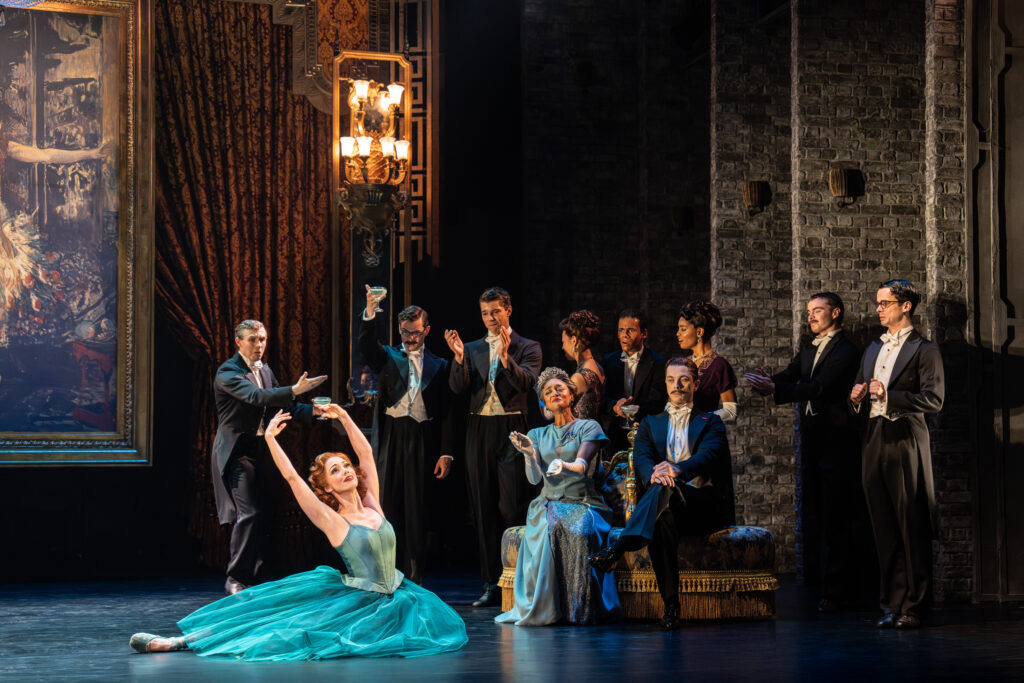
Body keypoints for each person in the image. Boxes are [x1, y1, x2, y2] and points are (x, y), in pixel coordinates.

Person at [129, 405, 468, 660]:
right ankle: (180, 642)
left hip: (401, 593)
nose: (346, 471)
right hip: (362, 599)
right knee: (278, 625)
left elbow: (366, 453)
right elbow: (293, 479)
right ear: (326, 486)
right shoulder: (333, 519)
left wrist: (343, 417)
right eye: (336, 470)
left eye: (346, 466)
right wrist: (272, 441)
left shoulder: (372, 505)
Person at [589, 357, 735, 629]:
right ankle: (671, 607)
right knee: (662, 517)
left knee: (663, 487)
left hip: (701, 504)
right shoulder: (650, 423)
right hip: (669, 505)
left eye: (684, 379)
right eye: (671, 380)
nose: (676, 385)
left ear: (696, 383)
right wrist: (654, 474)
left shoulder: (711, 422)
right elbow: (643, 459)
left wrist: (676, 470)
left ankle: (618, 547)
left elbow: (708, 456)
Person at [744, 292, 865, 612]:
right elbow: (791, 375)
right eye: (809, 312)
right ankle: (821, 583)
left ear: (835, 313)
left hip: (838, 442)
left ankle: (838, 590)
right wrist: (767, 381)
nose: (810, 317)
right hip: (814, 440)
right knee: (817, 512)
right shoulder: (810, 347)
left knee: (837, 516)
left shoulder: (847, 350)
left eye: (817, 311)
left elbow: (820, 387)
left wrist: (777, 390)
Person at [849, 279, 944, 630]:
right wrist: (857, 395)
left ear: (905, 306)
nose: (879, 308)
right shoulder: (873, 347)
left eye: (885, 303)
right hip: (874, 436)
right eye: (878, 303)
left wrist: (889, 395)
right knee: (884, 524)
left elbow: (934, 399)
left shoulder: (924, 348)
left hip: (905, 436)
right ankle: (892, 603)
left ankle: (915, 606)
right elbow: (860, 388)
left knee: (910, 522)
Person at [497, 367, 620, 626]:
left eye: (559, 388)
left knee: (577, 527)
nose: (555, 393)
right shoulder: (537, 435)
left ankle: (578, 608)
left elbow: (582, 466)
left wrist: (564, 465)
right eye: (548, 391)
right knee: (548, 525)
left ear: (571, 395)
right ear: (544, 403)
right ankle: (550, 607)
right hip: (548, 502)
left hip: (584, 503)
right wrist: (530, 455)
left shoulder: (589, 426)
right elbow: (533, 479)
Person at [211, 320, 327, 594]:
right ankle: (235, 578)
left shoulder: (266, 370)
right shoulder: (228, 372)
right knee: (248, 512)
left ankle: (258, 575)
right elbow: (258, 397)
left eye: (262, 339)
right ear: (238, 342)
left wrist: (315, 412)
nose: (259, 345)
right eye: (252, 339)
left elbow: (282, 406)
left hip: (263, 450)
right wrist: (295, 389)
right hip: (238, 452)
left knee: (266, 513)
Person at [445, 286, 542, 607]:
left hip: (511, 428)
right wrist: (459, 359)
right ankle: (489, 582)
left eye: (496, 312)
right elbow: (458, 389)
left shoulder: (527, 347)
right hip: (479, 428)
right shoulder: (471, 348)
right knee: (482, 508)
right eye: (485, 313)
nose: (490, 318)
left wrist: (505, 359)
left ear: (508, 310)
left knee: (511, 507)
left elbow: (526, 383)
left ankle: (514, 578)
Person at [360, 286, 452, 584]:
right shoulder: (388, 357)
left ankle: (415, 575)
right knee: (388, 503)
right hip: (392, 437)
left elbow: (447, 412)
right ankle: (386, 571)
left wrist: (445, 452)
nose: (409, 339)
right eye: (404, 332)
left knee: (417, 509)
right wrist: (371, 312)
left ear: (426, 330)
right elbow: (367, 346)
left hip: (422, 438)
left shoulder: (440, 366)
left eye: (415, 333)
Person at [599, 309, 667, 453]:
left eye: (630, 330)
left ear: (644, 333)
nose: (625, 335)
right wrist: (614, 407)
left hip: (646, 436)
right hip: (614, 437)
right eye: (621, 330)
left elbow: (658, 403)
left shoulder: (658, 363)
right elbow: (601, 399)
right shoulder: (608, 361)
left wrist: (635, 410)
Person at [675, 301, 737, 423]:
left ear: (699, 332)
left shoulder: (719, 365)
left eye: (683, 329)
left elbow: (731, 412)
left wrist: (700, 418)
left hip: (704, 435)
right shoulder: (682, 363)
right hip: (679, 435)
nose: (678, 334)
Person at [558, 309, 604, 419]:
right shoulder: (598, 367)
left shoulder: (579, 378)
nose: (562, 347)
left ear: (574, 340)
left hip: (580, 435)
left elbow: (561, 415)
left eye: (563, 342)